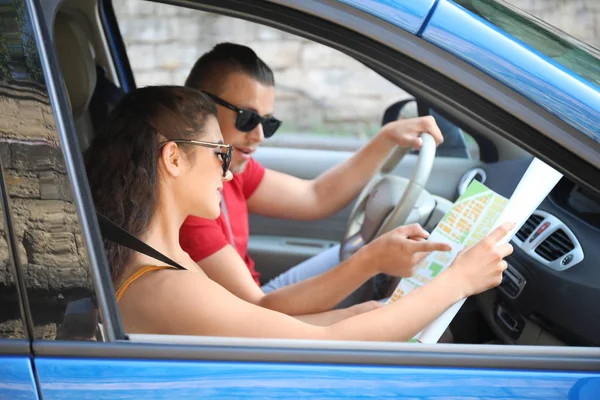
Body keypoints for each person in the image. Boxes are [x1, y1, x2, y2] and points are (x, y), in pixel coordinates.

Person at [85, 85, 514, 339]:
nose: (230, 173)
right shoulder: (163, 286)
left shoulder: (164, 260)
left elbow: (262, 325)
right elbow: (326, 345)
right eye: (220, 154)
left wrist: (358, 314)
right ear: (174, 159)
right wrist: (459, 280)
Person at [179, 43, 446, 320]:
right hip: (249, 318)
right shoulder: (190, 203)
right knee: (386, 316)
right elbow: (258, 310)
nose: (259, 135)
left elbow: (315, 197)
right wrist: (371, 261)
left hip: (257, 301)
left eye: (268, 123)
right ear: (199, 108)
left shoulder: (232, 167)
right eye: (247, 118)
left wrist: (387, 138)